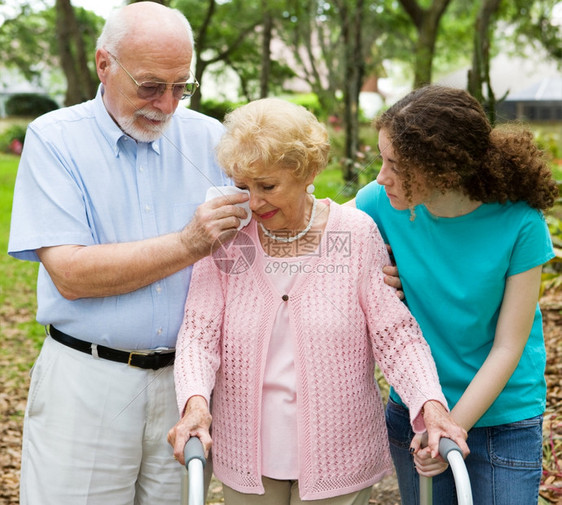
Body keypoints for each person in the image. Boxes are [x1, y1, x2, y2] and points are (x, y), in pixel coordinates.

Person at [167, 97, 468, 505]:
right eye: (242, 187)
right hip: (246, 458)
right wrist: (195, 405)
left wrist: (430, 403)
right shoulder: (227, 237)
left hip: (339, 457)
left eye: (268, 186)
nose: (253, 203)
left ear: (308, 171)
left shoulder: (356, 234)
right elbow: (199, 335)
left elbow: (395, 334)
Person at [7, 3, 250, 504]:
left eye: (181, 87)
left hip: (189, 389)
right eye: (150, 86)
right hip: (87, 381)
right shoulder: (55, 139)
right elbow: (71, 274)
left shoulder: (212, 140)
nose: (166, 104)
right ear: (104, 64)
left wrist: (363, 258)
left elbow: (265, 237)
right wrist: (189, 242)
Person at [349, 85, 558, 505]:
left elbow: (508, 346)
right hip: (417, 410)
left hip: (505, 418)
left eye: (396, 165)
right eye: (381, 159)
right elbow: (319, 243)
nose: (380, 176)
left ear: (443, 170)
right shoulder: (379, 202)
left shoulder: (519, 222)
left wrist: (449, 427)